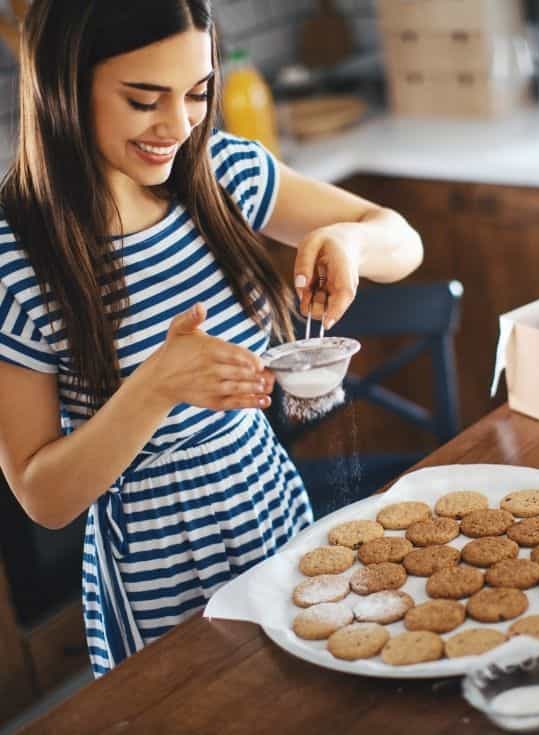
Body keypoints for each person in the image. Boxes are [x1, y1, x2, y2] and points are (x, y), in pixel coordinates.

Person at [0, 0, 422, 677]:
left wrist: (350, 239)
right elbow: (43, 496)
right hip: (155, 577)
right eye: (144, 101)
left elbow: (401, 239)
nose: (178, 125)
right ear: (63, 86)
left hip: (271, 509)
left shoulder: (222, 175)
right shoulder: (18, 260)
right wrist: (157, 385)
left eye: (197, 93)